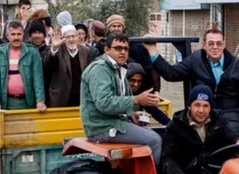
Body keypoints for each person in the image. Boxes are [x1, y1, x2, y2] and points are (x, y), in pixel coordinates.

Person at [145, 28, 239, 136]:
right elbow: (171, 74)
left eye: (219, 43)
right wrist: (152, 51)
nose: (215, 47)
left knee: (230, 138)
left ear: (223, 45)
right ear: (204, 45)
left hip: (230, 115)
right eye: (211, 43)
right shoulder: (195, 60)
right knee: (184, 135)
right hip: (202, 113)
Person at [80, 32, 163, 165]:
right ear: (107, 49)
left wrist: (131, 114)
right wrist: (136, 100)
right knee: (154, 140)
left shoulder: (118, 69)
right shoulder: (100, 69)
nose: (123, 52)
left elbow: (121, 100)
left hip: (114, 123)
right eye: (118, 48)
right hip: (102, 128)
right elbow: (104, 103)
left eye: (126, 49)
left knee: (158, 134)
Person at [0, 20, 47, 112]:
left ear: (23, 35)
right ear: (7, 36)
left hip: (28, 101)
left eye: (19, 34)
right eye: (13, 34)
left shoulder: (32, 52)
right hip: (6, 102)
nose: (16, 37)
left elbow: (38, 78)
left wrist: (40, 101)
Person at [43, 25, 94, 107]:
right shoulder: (57, 50)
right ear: (63, 39)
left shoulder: (85, 51)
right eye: (67, 37)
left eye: (73, 36)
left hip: (81, 96)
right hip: (61, 97)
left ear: (77, 36)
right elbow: (48, 64)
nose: (71, 39)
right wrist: (54, 48)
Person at [106, 14, 158, 93]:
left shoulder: (136, 46)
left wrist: (155, 90)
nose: (116, 29)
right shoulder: (102, 45)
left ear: (123, 28)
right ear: (109, 28)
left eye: (119, 26)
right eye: (114, 26)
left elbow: (149, 68)